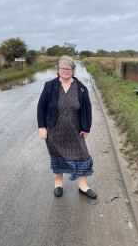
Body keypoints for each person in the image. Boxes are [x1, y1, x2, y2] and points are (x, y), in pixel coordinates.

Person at [37, 56, 97, 199]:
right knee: (57, 158)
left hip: (75, 131)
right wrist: (42, 127)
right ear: (58, 70)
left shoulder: (81, 88)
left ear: (73, 70)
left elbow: (87, 109)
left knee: (82, 156)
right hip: (55, 130)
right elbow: (41, 107)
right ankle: (58, 184)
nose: (65, 71)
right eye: (62, 68)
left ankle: (83, 186)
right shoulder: (49, 86)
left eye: (68, 68)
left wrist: (86, 128)